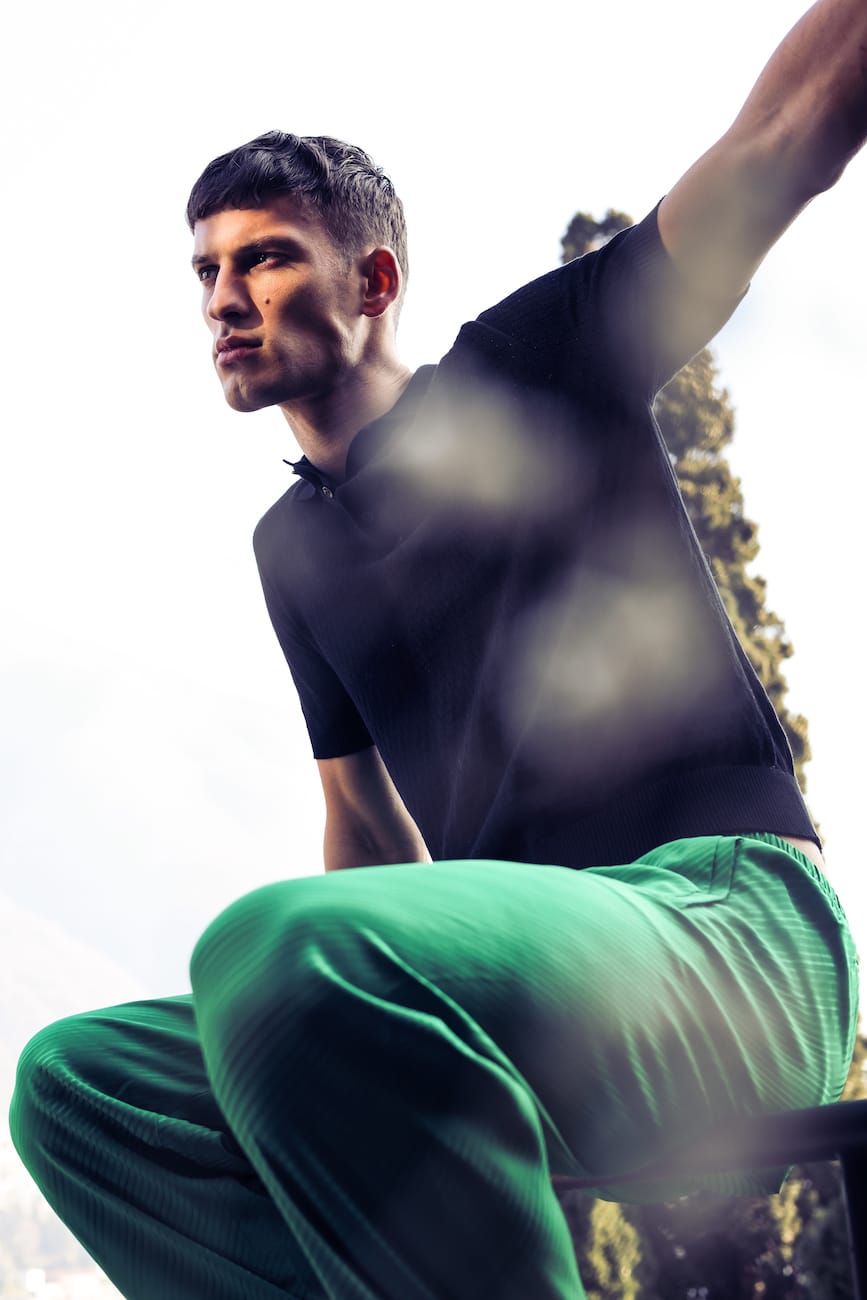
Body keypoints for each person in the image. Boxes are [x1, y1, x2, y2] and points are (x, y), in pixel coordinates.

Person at [9, 3, 865, 1297]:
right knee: (79, 1088)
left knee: (275, 949)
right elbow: (364, 830)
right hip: (520, 1019)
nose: (224, 300)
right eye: (207, 271)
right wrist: (321, 1034)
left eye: (265, 260)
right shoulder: (293, 549)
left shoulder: (537, 363)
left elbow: (779, 142)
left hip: (728, 941)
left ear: (373, 282)